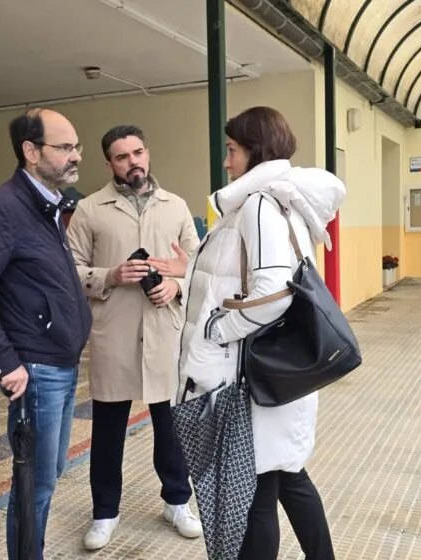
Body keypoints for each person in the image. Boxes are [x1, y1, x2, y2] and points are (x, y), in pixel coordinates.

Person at [149, 106, 342, 559]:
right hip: (271, 376)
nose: (226, 160)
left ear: (254, 152)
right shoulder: (279, 201)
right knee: (286, 477)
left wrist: (219, 328)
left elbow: (273, 292)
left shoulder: (258, 205)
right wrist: (192, 267)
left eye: (232, 150)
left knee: (261, 489)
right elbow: (243, 274)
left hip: (252, 376)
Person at [0, 107, 92, 560]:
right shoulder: (5, 206)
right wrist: (6, 362)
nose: (76, 156)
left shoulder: (48, 205)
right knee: (34, 485)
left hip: (60, 366)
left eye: (77, 147)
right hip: (37, 369)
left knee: (48, 475)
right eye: (65, 147)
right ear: (30, 152)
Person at [66, 125, 203, 550]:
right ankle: (105, 512)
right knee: (107, 430)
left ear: (148, 154)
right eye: (122, 157)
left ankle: (177, 501)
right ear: (109, 164)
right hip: (116, 333)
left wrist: (177, 286)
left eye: (138, 152)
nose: (133, 162)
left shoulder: (176, 206)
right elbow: (68, 271)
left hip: (165, 332)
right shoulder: (90, 210)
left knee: (171, 425)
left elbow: (199, 264)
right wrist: (110, 275)